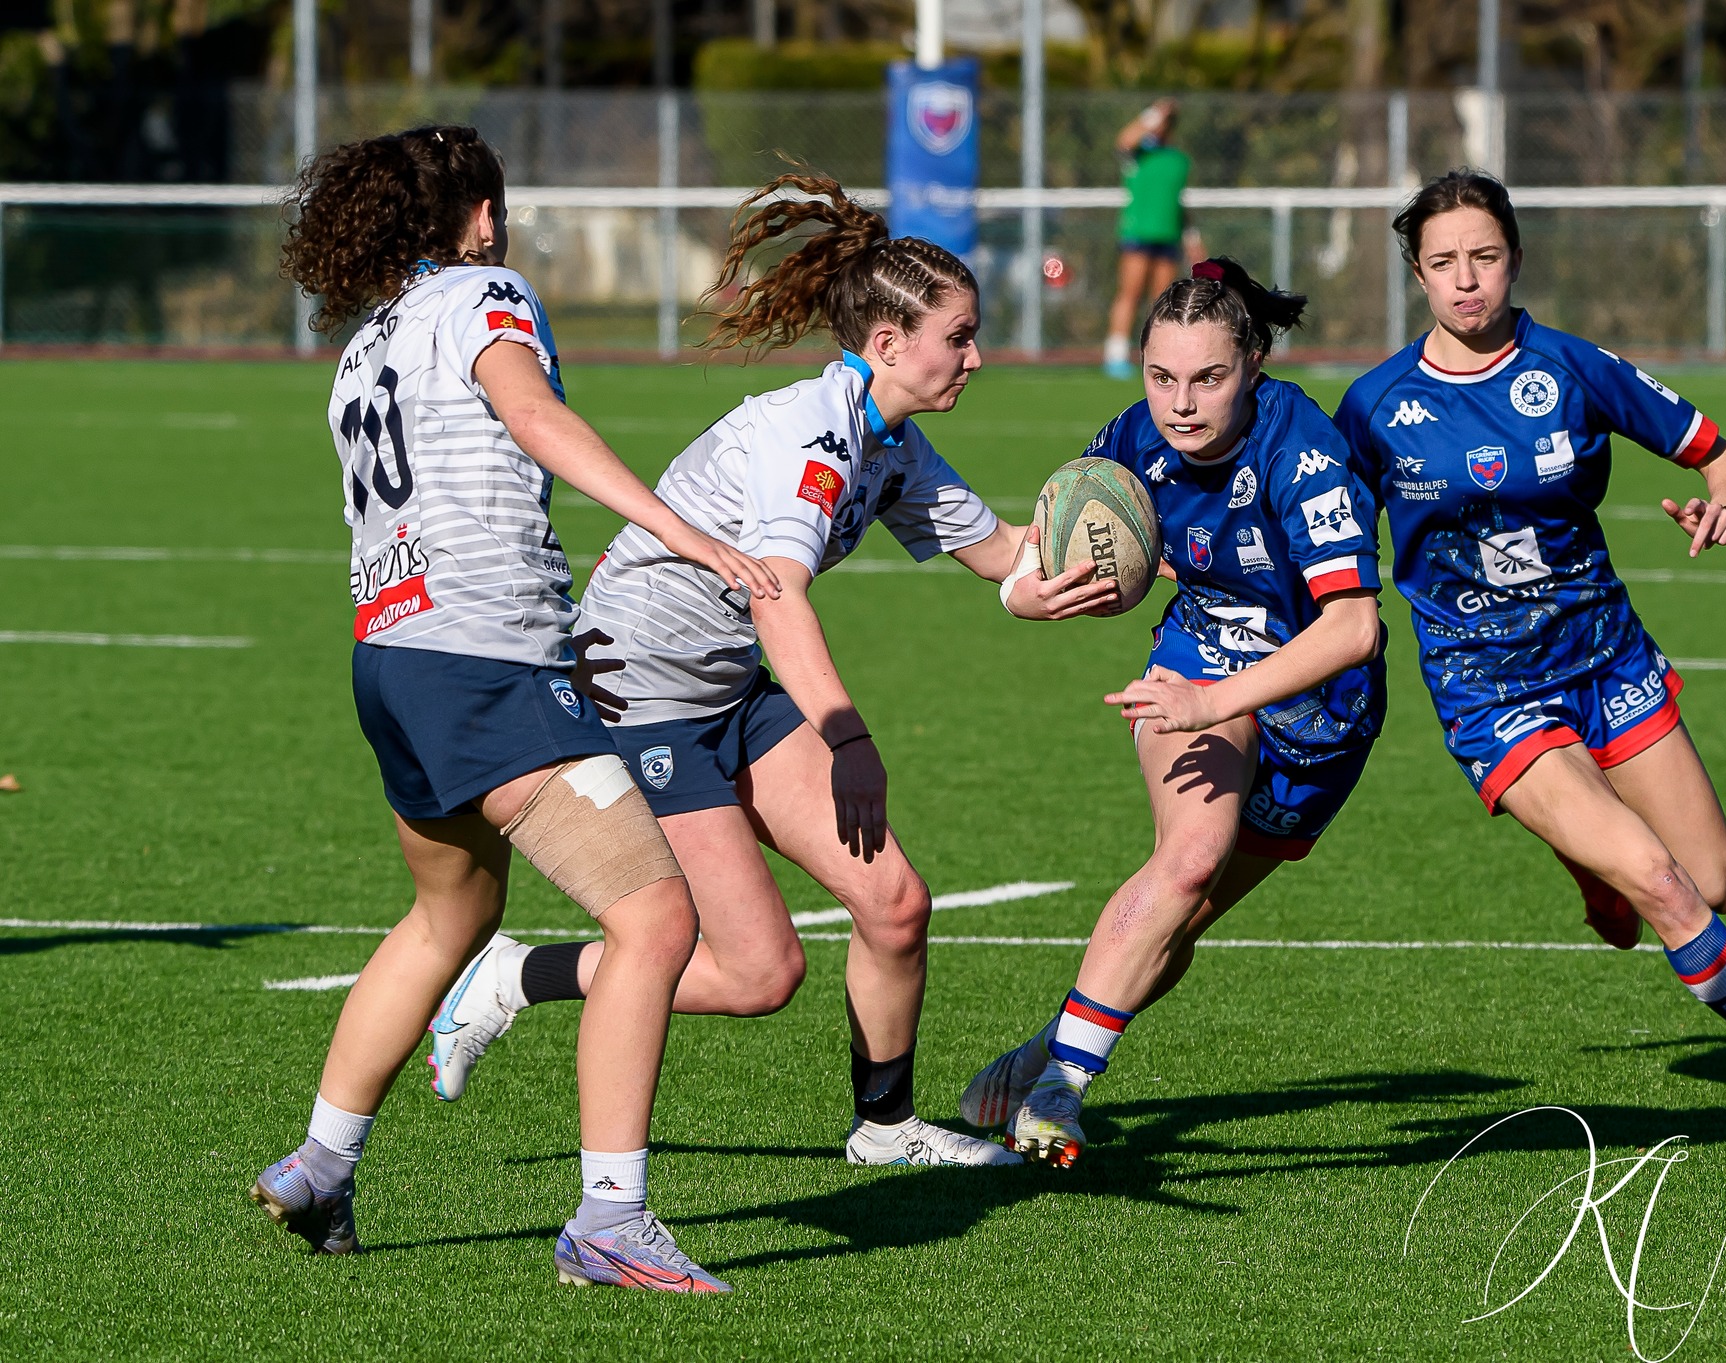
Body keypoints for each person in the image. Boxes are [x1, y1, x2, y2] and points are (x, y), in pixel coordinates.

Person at [425, 172, 1120, 1166]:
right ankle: (514, 975)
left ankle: (885, 1128)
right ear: (890, 344)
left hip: (725, 684)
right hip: (641, 690)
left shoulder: (892, 443)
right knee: (758, 973)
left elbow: (1008, 552)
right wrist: (850, 739)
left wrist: (1141, 558)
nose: (976, 356)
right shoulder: (813, 437)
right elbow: (778, 594)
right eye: (960, 337)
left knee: (895, 904)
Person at [253, 124, 783, 1294]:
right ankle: (610, 1220)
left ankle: (320, 1165)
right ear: (480, 215)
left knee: (448, 916)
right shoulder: (483, 295)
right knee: (655, 918)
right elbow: (533, 416)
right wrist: (682, 533)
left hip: (391, 659)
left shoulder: (365, 343)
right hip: (480, 660)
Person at [1333, 169, 1726, 1124]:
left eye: (1484, 256)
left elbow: (1722, 456)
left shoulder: (1571, 367)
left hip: (1608, 659)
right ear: (1417, 273)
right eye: (1443, 262)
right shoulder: (1374, 406)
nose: (1466, 279)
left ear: (1516, 258)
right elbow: (1314, 532)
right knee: (1662, 884)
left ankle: (1590, 862)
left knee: (1715, 883)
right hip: (1489, 689)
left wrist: (1724, 506)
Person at [960, 258, 1388, 1166]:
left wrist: (1215, 700)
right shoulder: (1132, 436)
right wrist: (1028, 591)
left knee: (1179, 921)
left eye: (1208, 378)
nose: (1180, 404)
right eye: (1161, 376)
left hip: (1323, 712)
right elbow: (1051, 535)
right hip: (1198, 661)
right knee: (1188, 859)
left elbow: (1353, 628)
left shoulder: (1303, 454)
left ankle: (1047, 1049)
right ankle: (1059, 1091)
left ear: (1254, 364)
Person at [1103, 99, 1200, 381]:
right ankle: (1116, 354)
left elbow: (1179, 204)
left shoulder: (1179, 161)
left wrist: (1192, 238)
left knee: (1161, 301)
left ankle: (1157, 355)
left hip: (1168, 236)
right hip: (1138, 235)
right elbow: (1124, 139)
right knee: (1130, 292)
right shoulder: (1138, 155)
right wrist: (1154, 113)